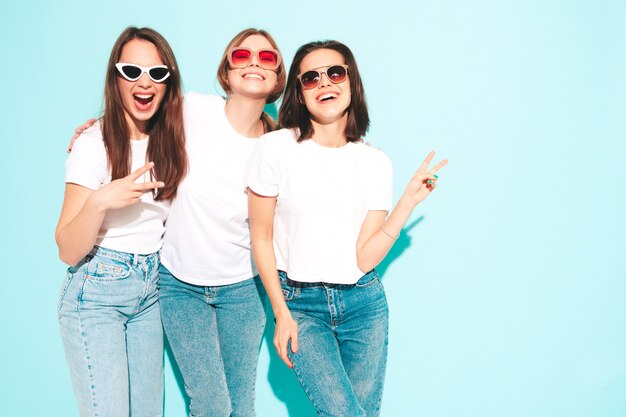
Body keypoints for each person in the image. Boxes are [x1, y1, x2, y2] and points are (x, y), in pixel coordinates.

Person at [247, 40, 447, 417]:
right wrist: (281, 311)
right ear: (299, 93)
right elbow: (260, 237)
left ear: (351, 83)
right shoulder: (275, 148)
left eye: (335, 73)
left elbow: (364, 256)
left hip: (363, 305)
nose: (325, 83)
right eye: (311, 77)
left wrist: (407, 202)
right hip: (300, 305)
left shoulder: (374, 162)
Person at [56, 27, 187, 417]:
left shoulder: (176, 138)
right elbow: (66, 248)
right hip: (97, 291)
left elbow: (239, 126)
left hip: (152, 291)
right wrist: (100, 202)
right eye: (131, 71)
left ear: (168, 83)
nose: (144, 82)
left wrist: (344, 139)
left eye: (156, 74)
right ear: (116, 79)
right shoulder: (94, 144)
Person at [157, 28, 285, 417]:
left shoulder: (278, 146)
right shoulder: (192, 109)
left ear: (277, 78)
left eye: (267, 58)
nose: (253, 62)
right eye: (241, 54)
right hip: (181, 285)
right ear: (226, 72)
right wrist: (93, 129)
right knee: (212, 404)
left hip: (242, 292)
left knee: (242, 408)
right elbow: (136, 114)